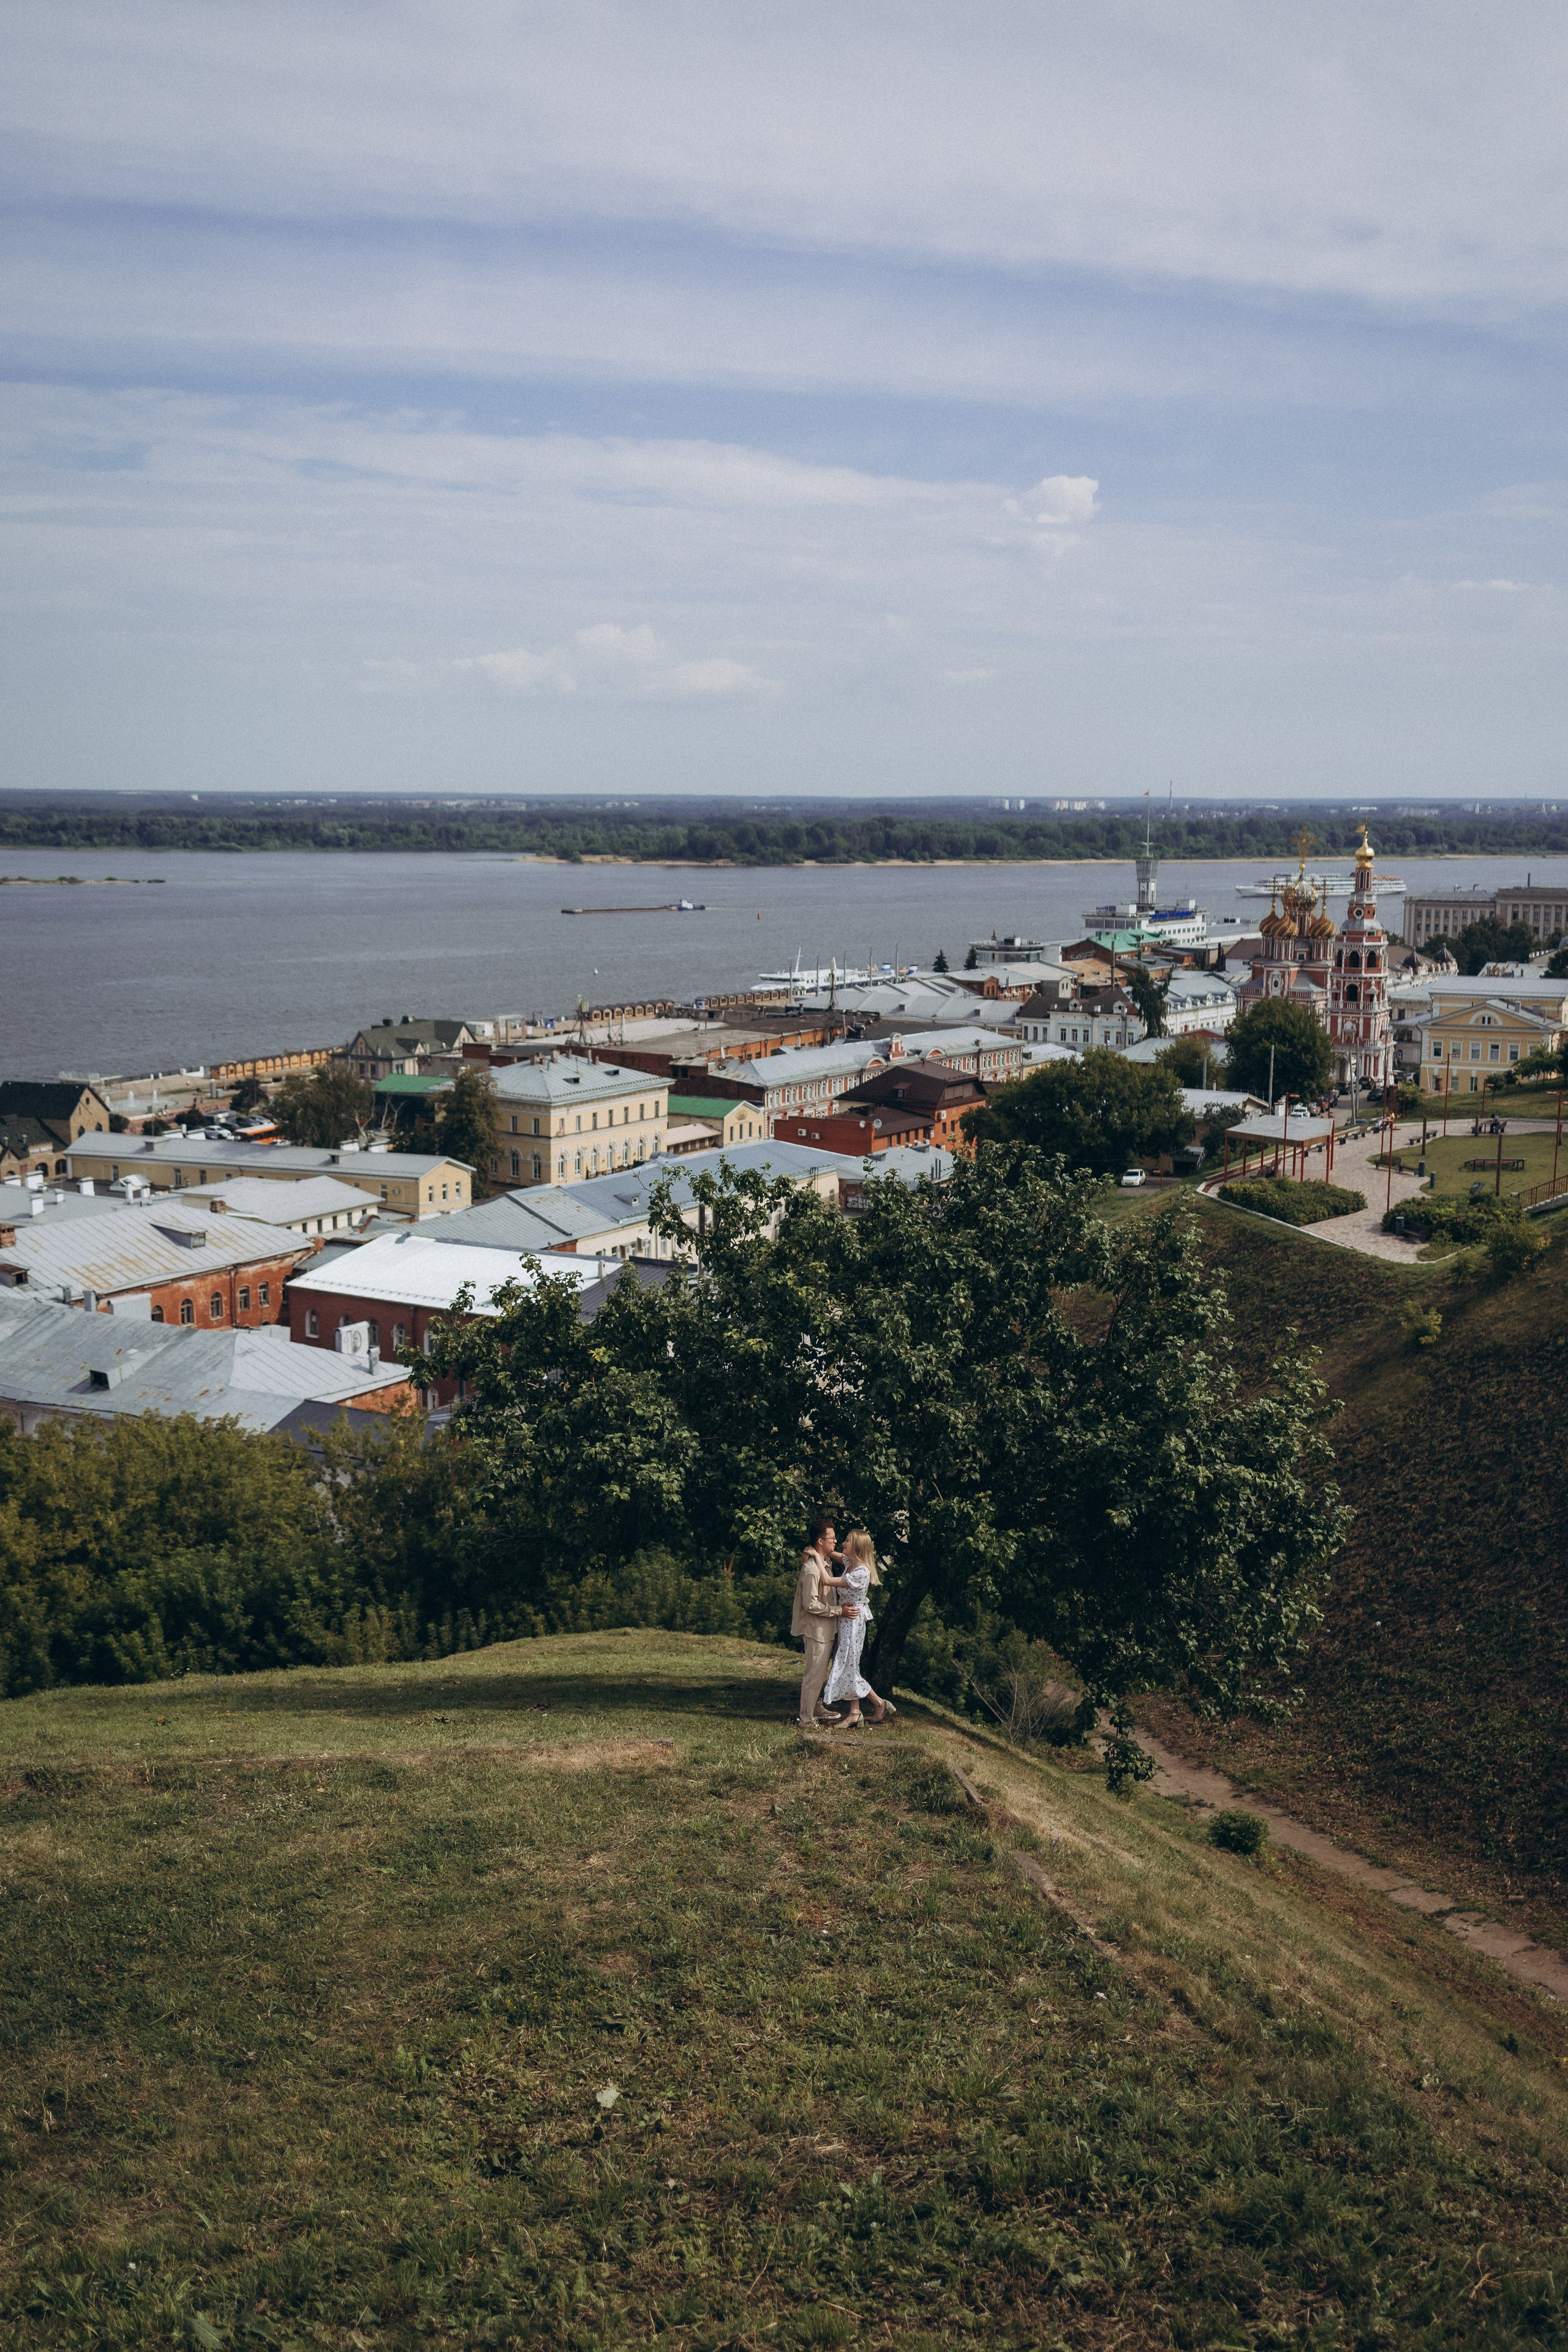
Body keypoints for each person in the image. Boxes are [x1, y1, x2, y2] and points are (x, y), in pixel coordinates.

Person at [821, 1530, 895, 1727]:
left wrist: (814, 1556)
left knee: (850, 1666)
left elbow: (827, 1581)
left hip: (853, 1623)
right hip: (845, 1620)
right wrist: (820, 1549)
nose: (843, 1543)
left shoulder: (862, 1572)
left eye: (847, 1540)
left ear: (857, 1546)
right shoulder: (850, 1563)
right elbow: (834, 1554)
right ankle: (858, 1710)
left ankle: (875, 1704)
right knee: (850, 1666)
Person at [791, 1514, 855, 1730]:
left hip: (825, 1629)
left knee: (819, 1673)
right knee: (814, 1674)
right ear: (820, 1541)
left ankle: (815, 1707)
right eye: (832, 1539)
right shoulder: (811, 1569)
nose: (835, 1542)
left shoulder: (824, 1561)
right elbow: (810, 1604)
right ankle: (806, 1719)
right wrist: (839, 1611)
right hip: (815, 1629)